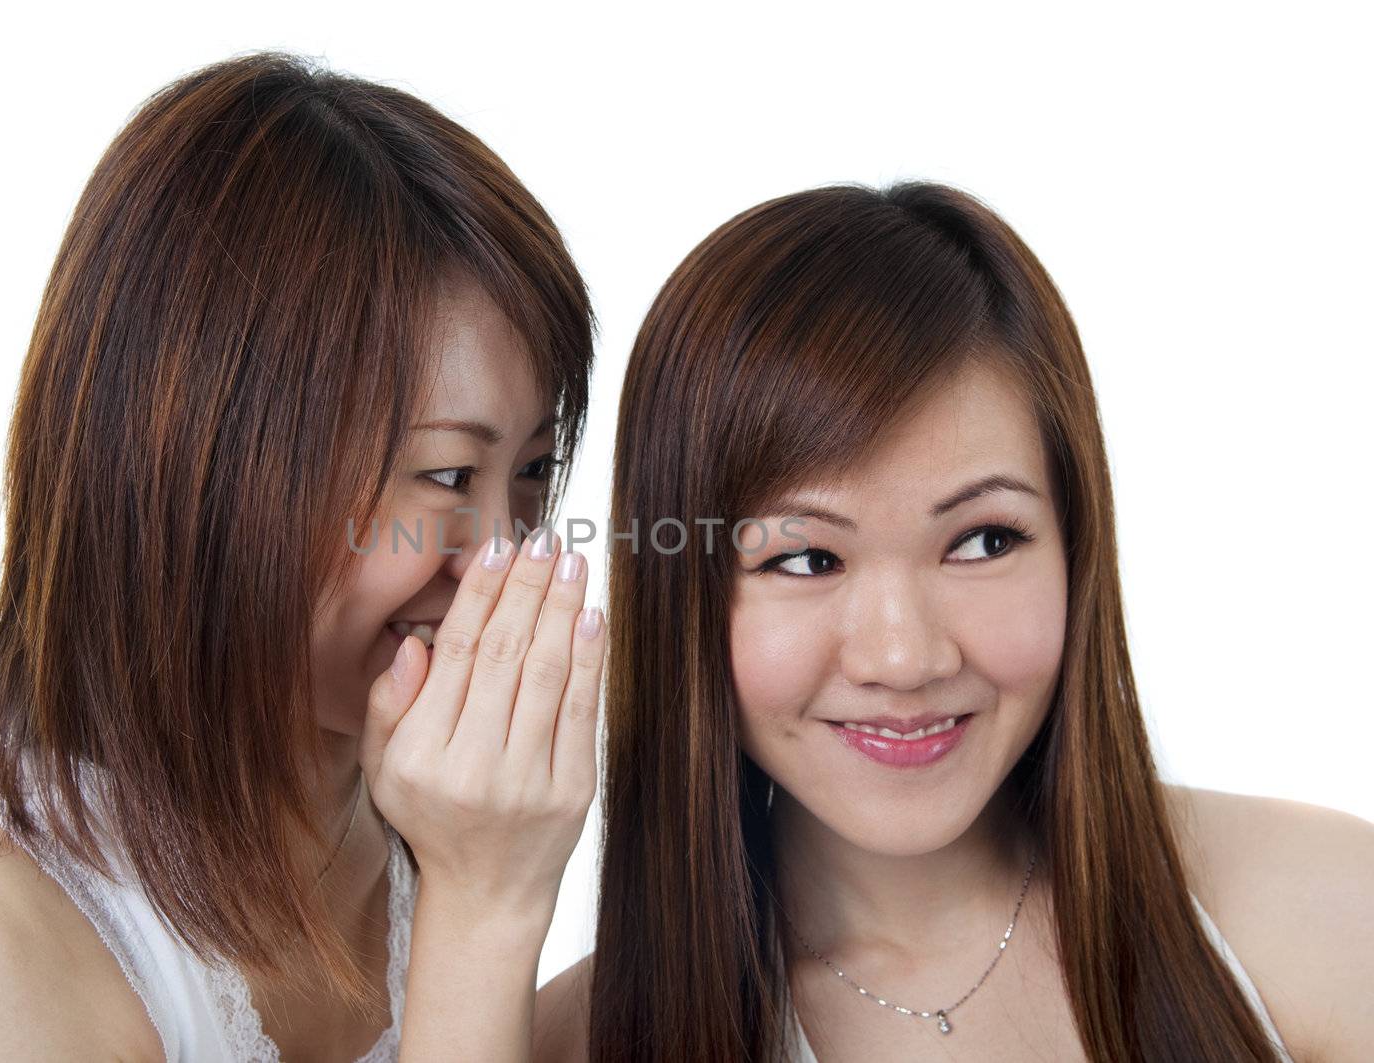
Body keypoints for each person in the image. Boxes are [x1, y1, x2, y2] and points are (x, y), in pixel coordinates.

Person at [0, 51, 606, 1061]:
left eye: (534, 472)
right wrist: (485, 911)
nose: (505, 559)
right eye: (447, 475)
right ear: (207, 466)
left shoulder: (438, 832)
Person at [533, 182, 1374, 1062]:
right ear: (683, 599)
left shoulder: (1316, 907)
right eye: (806, 559)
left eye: (981, 541)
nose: (904, 656)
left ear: (1077, 543)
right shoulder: (578, 1041)